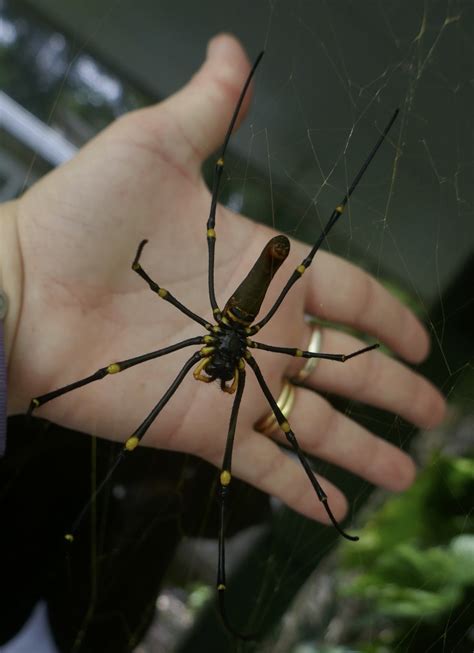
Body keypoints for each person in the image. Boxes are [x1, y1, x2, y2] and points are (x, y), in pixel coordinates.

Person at [0, 33, 445, 532]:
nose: (221, 373)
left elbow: (157, 294)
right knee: (182, 400)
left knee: (277, 278)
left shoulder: (217, 348)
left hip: (234, 313)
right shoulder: (241, 360)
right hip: (240, 316)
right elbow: (161, 296)